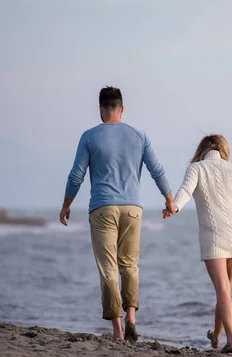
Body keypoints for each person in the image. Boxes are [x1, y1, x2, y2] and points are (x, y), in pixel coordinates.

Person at [60, 86, 176, 341]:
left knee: (108, 268)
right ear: (122, 109)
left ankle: (118, 329)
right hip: (133, 209)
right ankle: (132, 317)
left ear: (101, 110)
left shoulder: (89, 137)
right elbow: (157, 170)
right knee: (130, 266)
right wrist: (169, 200)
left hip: (102, 208)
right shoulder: (139, 135)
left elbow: (76, 176)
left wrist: (66, 204)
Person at [163, 134, 232, 353]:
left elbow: (185, 192)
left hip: (214, 237)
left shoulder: (196, 168)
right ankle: (216, 337)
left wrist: (174, 207)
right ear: (224, 150)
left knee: (223, 289)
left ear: (202, 150)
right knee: (224, 290)